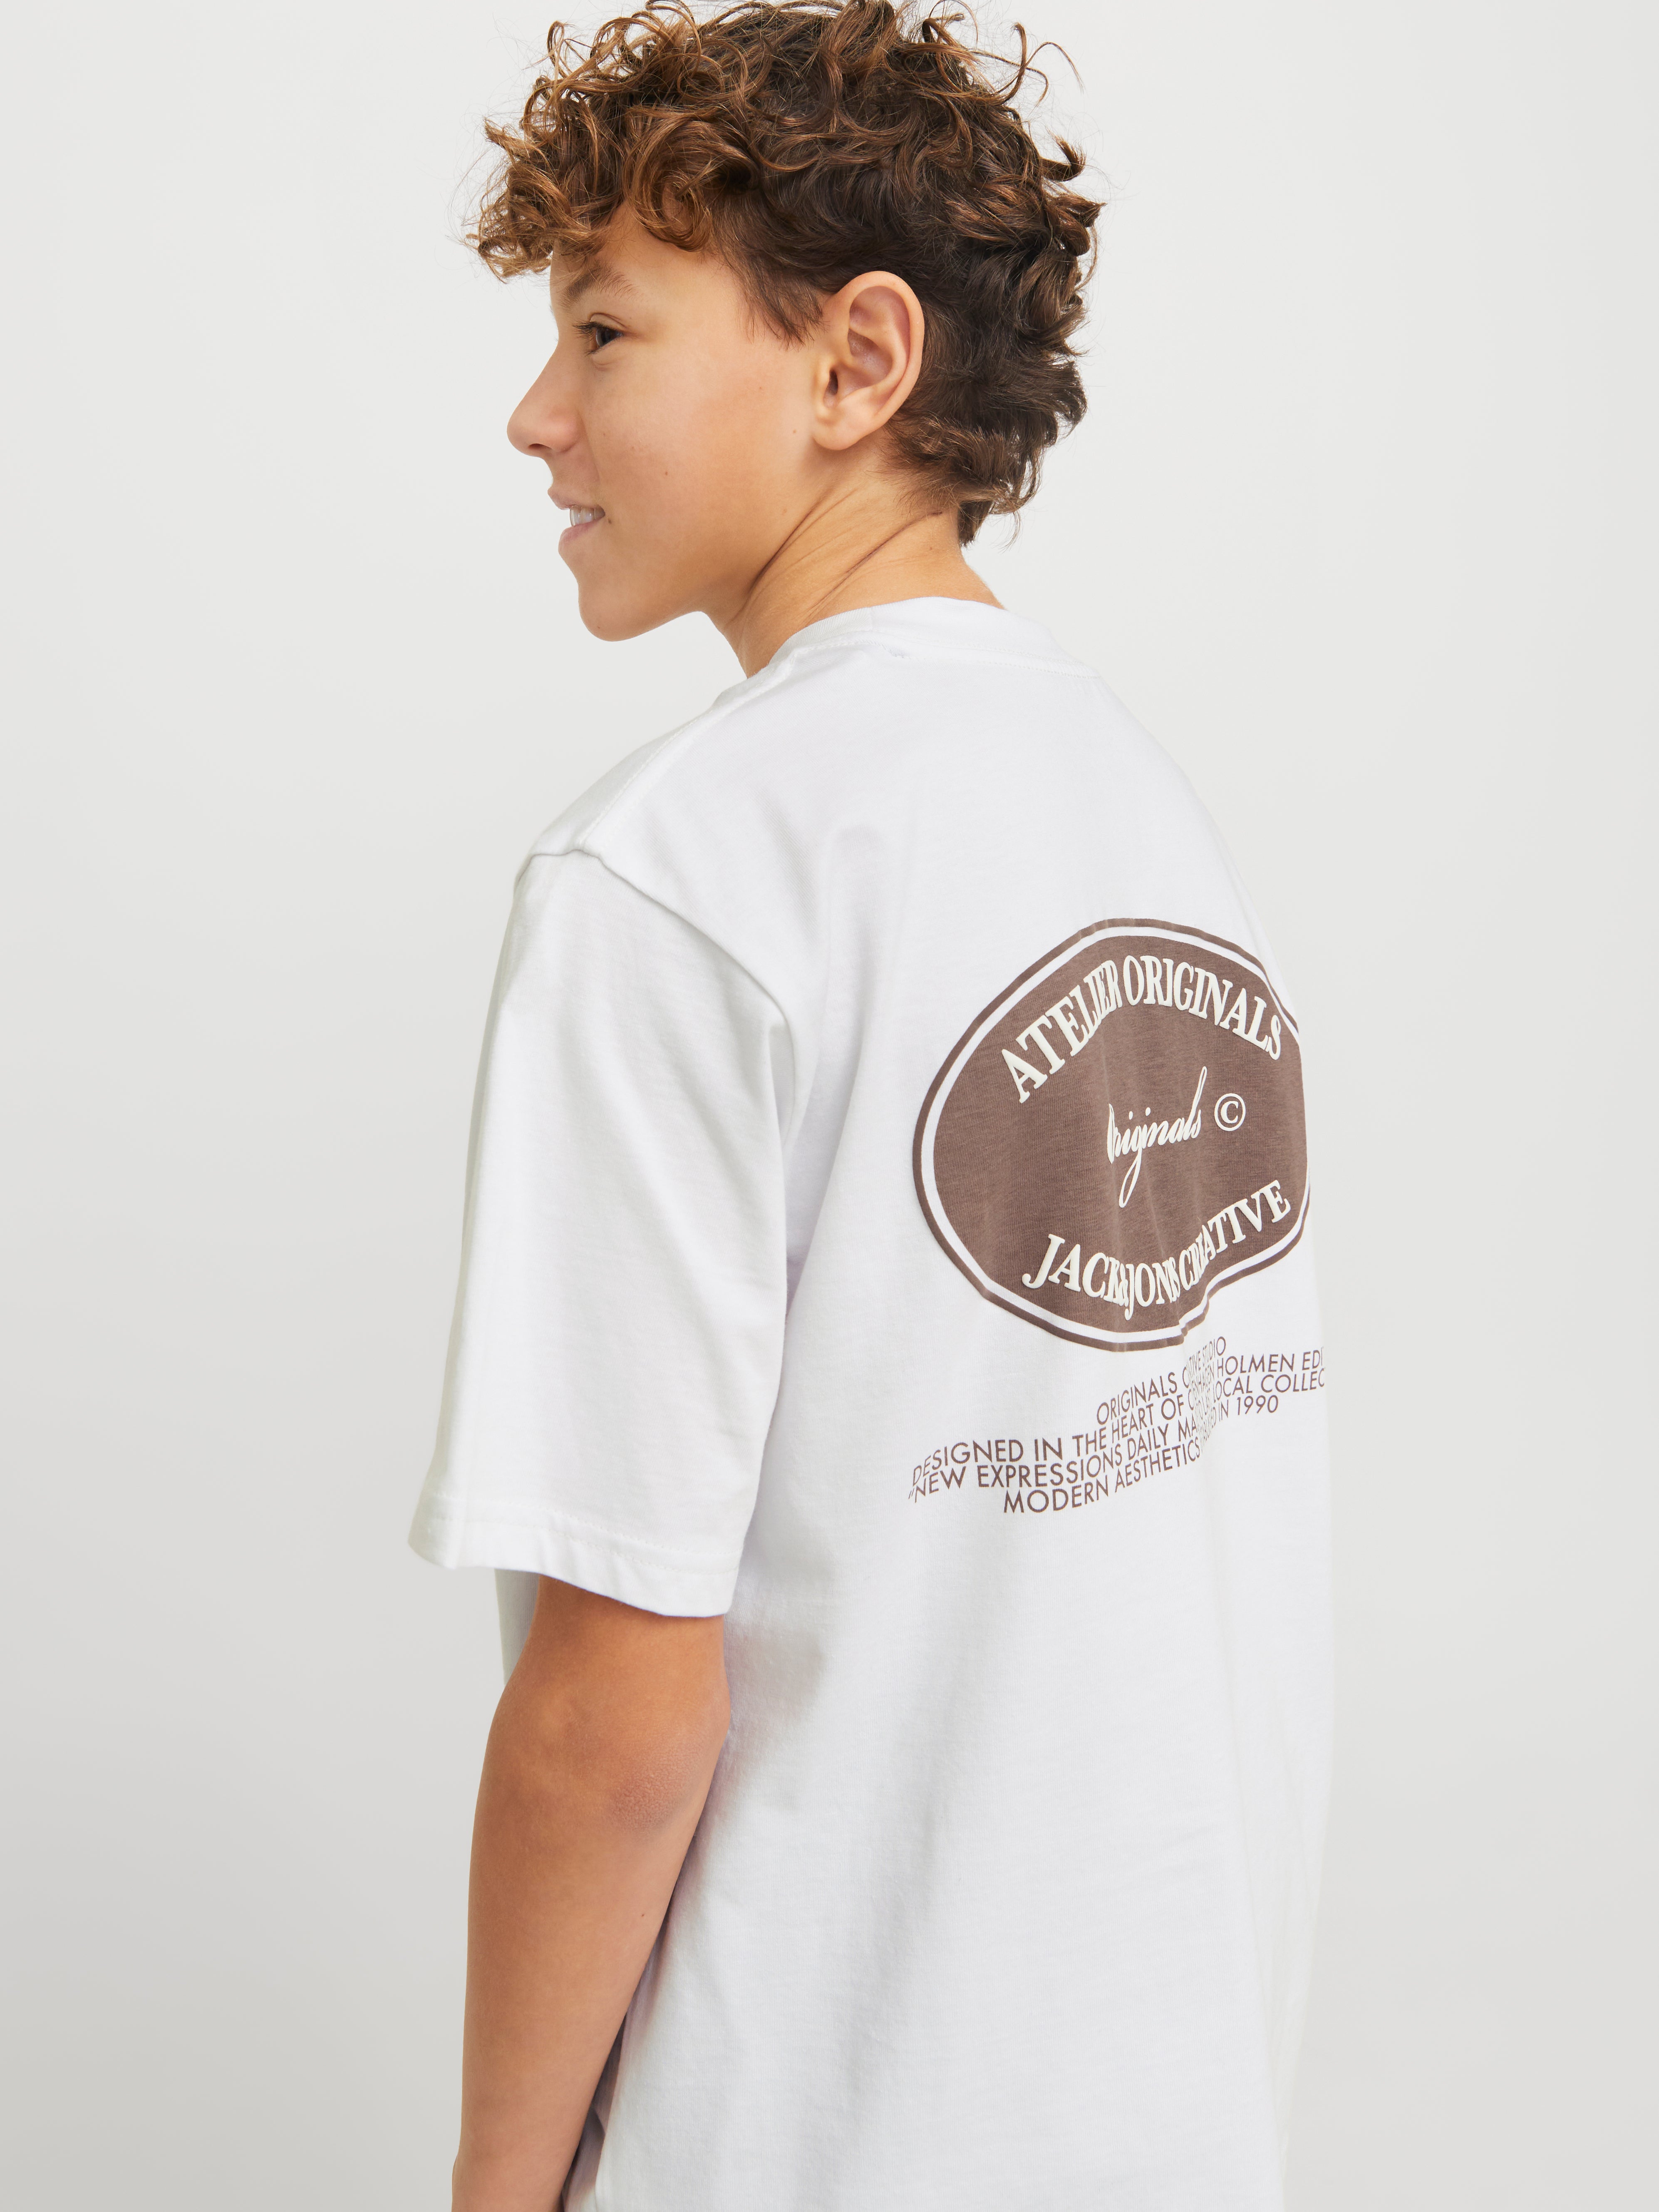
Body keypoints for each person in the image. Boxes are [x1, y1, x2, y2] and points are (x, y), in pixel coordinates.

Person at [408, 3, 1332, 2207]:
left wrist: (494, 2189)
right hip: (1175, 2120)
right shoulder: (1138, 809)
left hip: (816, 2137)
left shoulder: (674, 878)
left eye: (606, 329)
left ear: (857, 362)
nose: (538, 415)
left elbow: (616, 1715)